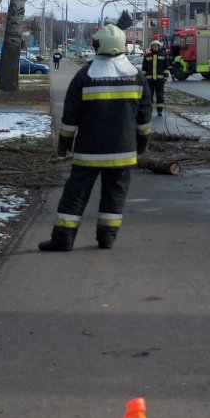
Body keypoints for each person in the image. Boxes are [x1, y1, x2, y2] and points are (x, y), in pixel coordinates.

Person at [38, 22, 149, 252]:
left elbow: (70, 118)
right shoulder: (136, 76)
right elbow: (144, 117)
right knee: (114, 195)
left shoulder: (84, 76)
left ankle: (64, 238)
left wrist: (64, 145)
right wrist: (142, 143)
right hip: (123, 152)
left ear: (98, 45)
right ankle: (107, 237)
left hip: (89, 152)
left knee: (75, 195)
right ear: (123, 46)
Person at [141, 39, 170, 116]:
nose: (155, 47)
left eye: (156, 46)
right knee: (149, 96)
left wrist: (165, 77)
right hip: (149, 80)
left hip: (160, 80)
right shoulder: (147, 56)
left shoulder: (163, 55)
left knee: (160, 96)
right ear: (151, 47)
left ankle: (159, 111)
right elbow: (144, 68)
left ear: (159, 47)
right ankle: (149, 111)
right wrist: (144, 78)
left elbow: (166, 67)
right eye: (153, 46)